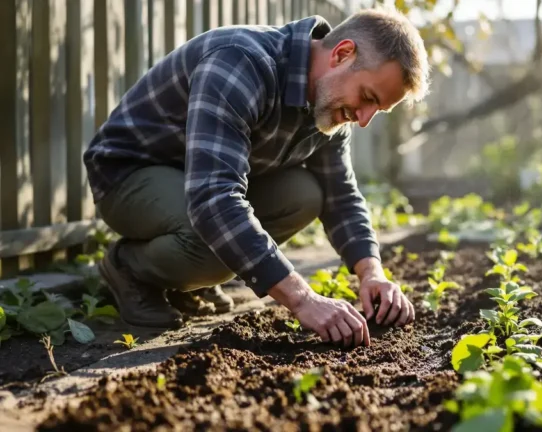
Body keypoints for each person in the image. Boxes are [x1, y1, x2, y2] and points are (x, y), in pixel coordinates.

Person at [83, 7, 431, 348]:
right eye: (368, 98)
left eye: (377, 109)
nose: (364, 118)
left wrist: (372, 273)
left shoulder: (329, 103)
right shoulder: (241, 64)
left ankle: (190, 275)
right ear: (342, 54)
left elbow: (340, 193)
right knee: (211, 245)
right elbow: (214, 199)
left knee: (306, 194)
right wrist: (302, 299)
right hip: (129, 174)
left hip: (192, 179)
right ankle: (128, 266)